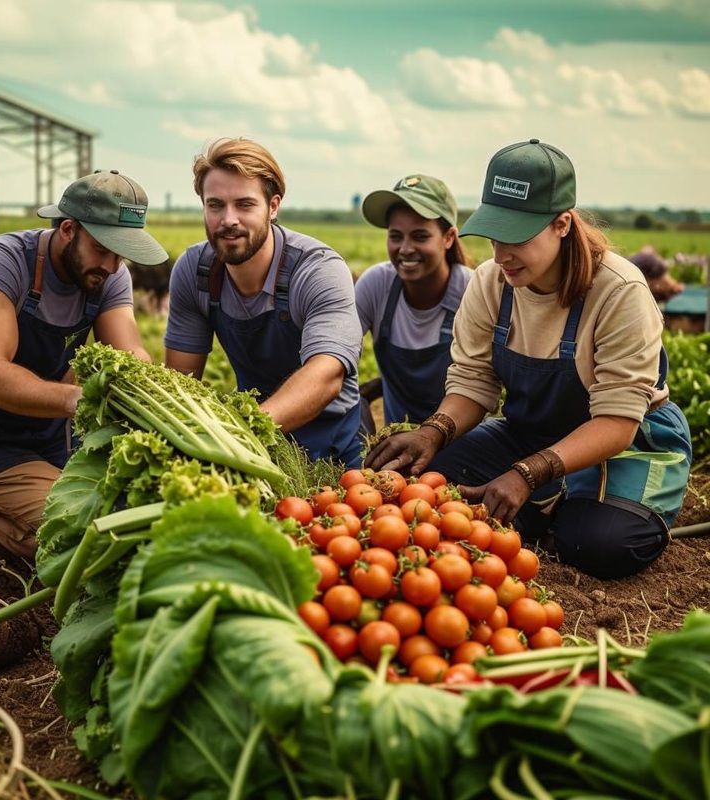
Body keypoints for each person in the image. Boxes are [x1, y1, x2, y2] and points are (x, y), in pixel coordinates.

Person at [365, 139, 692, 579]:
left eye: (517, 237)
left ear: (561, 224)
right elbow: (473, 384)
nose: (502, 255)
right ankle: (548, 504)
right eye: (495, 235)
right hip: (532, 430)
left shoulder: (618, 292)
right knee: (430, 481)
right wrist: (432, 432)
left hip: (627, 443)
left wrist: (527, 473)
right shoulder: (491, 283)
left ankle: (557, 507)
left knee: (596, 544)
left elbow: (617, 422)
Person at [0, 169, 169, 575]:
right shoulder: (0, 263)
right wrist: (78, 399)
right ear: (68, 229)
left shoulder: (108, 276)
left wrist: (156, 397)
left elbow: (131, 351)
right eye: (104, 249)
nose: (112, 264)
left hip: (46, 430)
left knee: (122, 518)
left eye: (121, 253)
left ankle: (4, 491)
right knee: (69, 538)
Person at [164, 137, 363, 467]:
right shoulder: (196, 271)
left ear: (273, 207)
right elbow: (181, 379)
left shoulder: (317, 270)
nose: (229, 219)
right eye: (215, 205)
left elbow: (327, 375)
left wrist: (237, 431)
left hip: (330, 450)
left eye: (244, 204)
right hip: (253, 449)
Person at [356, 174, 473, 434]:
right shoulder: (377, 285)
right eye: (396, 236)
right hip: (393, 445)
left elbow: (485, 386)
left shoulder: (470, 292)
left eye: (420, 236)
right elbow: (335, 358)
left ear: (449, 237)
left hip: (460, 441)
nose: (406, 249)